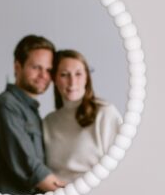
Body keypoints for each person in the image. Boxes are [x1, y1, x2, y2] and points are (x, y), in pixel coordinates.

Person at [0, 35, 67, 195]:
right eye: (36, 67)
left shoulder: (30, 110)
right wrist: (73, 194)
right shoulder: (6, 106)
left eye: (48, 70)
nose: (43, 75)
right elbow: (31, 167)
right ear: (17, 67)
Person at [42, 49, 123, 183]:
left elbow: (120, 166)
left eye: (78, 74)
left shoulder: (105, 113)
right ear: (54, 79)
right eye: (64, 75)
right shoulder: (48, 122)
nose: (72, 82)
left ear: (87, 78)